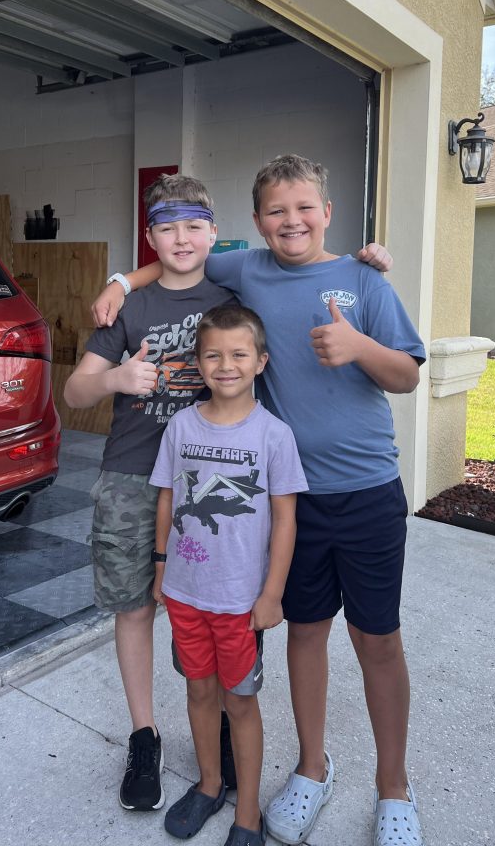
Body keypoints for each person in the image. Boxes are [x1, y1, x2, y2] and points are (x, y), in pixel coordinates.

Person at [91, 153, 425, 846]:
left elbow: (406, 375)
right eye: (277, 211)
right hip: (288, 501)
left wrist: (359, 344)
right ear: (256, 222)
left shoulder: (364, 280)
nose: (291, 221)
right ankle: (311, 768)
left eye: (304, 208)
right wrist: (122, 280)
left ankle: (394, 786)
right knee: (306, 632)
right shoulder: (247, 268)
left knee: (377, 638)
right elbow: (179, 259)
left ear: (328, 212)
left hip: (365, 490)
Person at [64, 173, 237, 813]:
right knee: (134, 607)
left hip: (213, 477)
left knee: (219, 608)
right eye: (167, 228)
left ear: (213, 232)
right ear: (150, 236)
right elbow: (73, 392)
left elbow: (299, 265)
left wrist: (367, 262)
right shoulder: (128, 308)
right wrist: (115, 378)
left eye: (193, 226)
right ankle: (145, 735)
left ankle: (221, 722)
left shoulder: (233, 294)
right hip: (132, 475)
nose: (181, 238)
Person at [150, 304, 307, 846]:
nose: (226, 365)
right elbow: (168, 499)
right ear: (198, 363)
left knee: (239, 702)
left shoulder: (274, 436)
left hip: (240, 602)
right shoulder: (180, 426)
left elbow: (285, 519)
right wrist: (161, 566)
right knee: (199, 692)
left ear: (260, 361)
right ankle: (210, 785)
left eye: (239, 354)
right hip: (185, 594)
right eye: (213, 355)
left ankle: (247, 814)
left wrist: (272, 594)